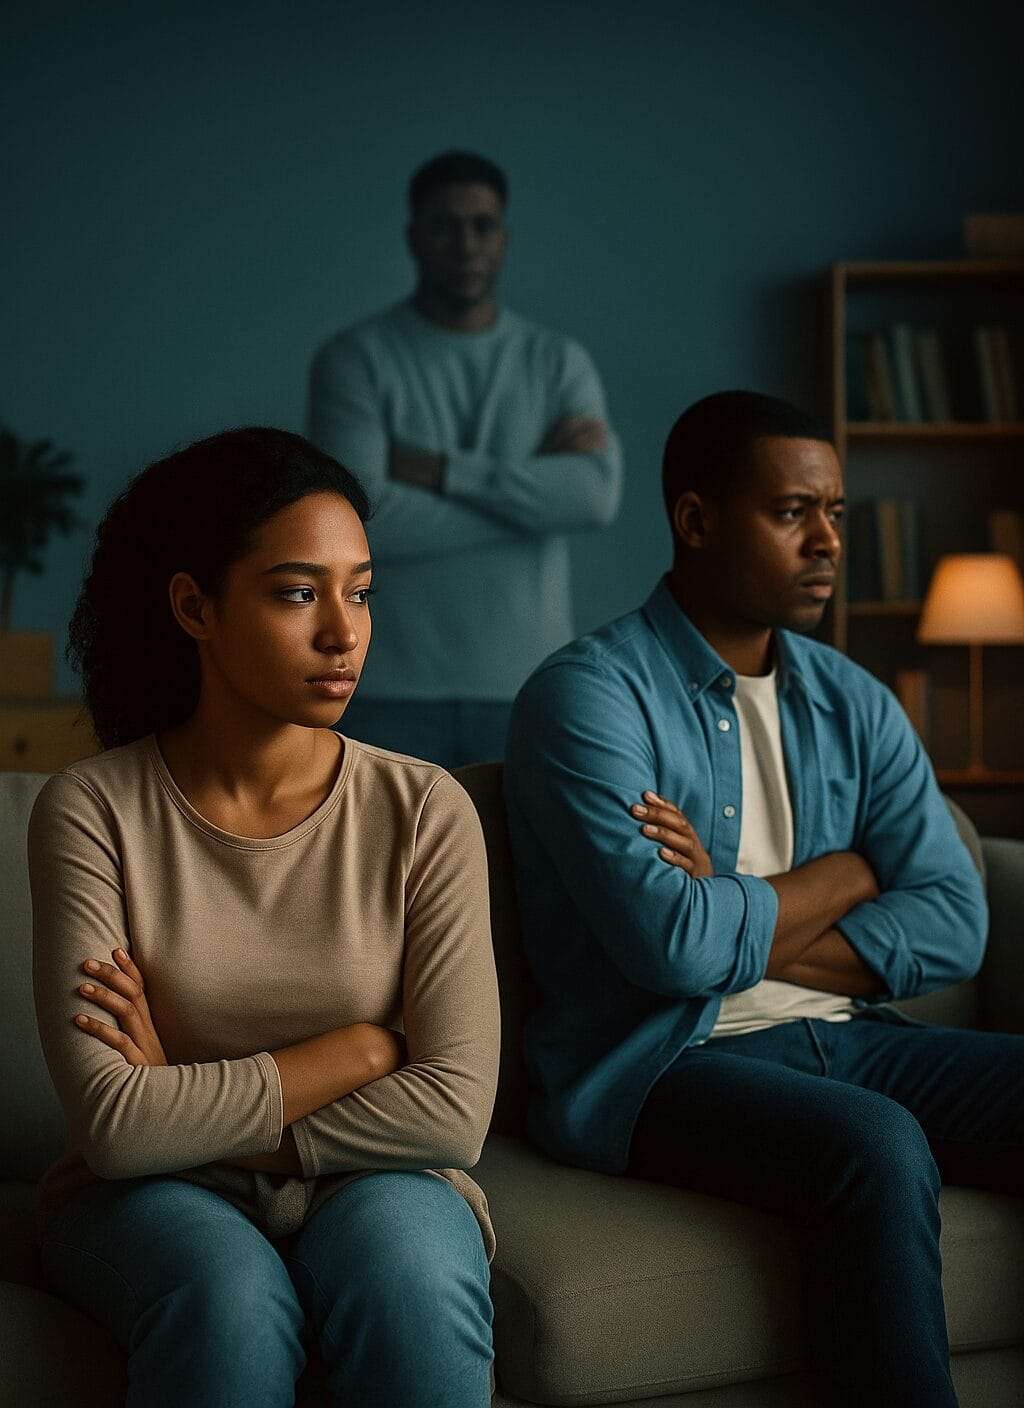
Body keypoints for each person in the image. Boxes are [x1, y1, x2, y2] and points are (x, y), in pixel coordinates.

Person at [503, 390, 1024, 1408]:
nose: (827, 541)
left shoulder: (851, 700)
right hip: (662, 1063)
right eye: (790, 513)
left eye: (833, 511)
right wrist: (854, 871)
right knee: (874, 1143)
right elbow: (671, 952)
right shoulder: (589, 697)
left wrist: (731, 902)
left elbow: (956, 919)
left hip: (846, 1032)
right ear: (695, 521)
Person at [29, 427, 500, 1408]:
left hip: (387, 1180)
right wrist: (359, 1052)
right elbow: (116, 1128)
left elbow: (453, 1112)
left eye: (359, 591)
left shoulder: (424, 810)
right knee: (226, 1303)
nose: (344, 631)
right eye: (297, 593)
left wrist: (188, 1104)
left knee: (413, 1288)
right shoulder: (92, 811)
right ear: (195, 607)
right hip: (150, 1196)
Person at [308, 149, 622, 769]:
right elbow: (359, 525)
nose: (465, 243)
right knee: (386, 870)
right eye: (445, 225)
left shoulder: (558, 361)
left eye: (483, 226)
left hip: (529, 685)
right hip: (390, 688)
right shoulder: (355, 358)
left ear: (504, 239)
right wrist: (531, 504)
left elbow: (592, 498)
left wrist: (444, 473)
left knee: (525, 869)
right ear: (413, 238)